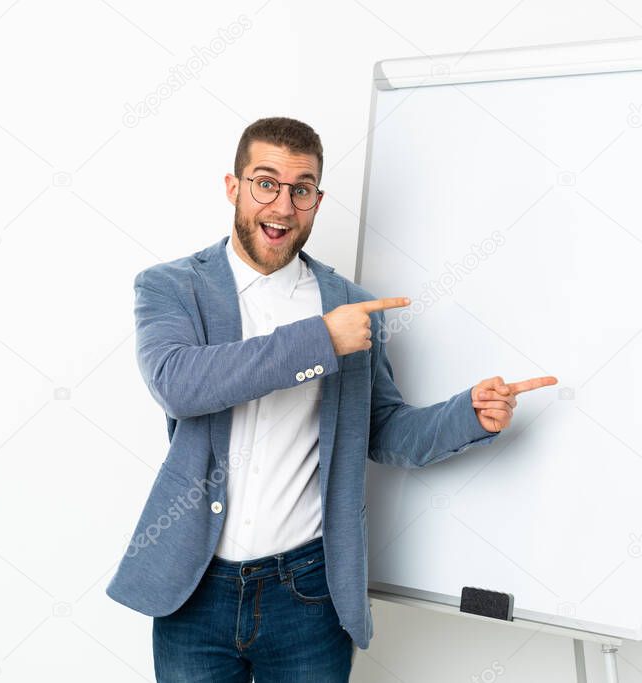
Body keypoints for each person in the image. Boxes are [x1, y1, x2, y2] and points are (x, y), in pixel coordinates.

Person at [106, 116, 557, 682]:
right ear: (233, 187)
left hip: (308, 592)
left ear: (317, 200)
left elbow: (383, 430)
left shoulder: (348, 304)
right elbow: (178, 383)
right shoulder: (172, 286)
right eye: (265, 182)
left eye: (302, 189)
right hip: (195, 589)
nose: (282, 205)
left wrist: (465, 414)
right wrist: (320, 340)